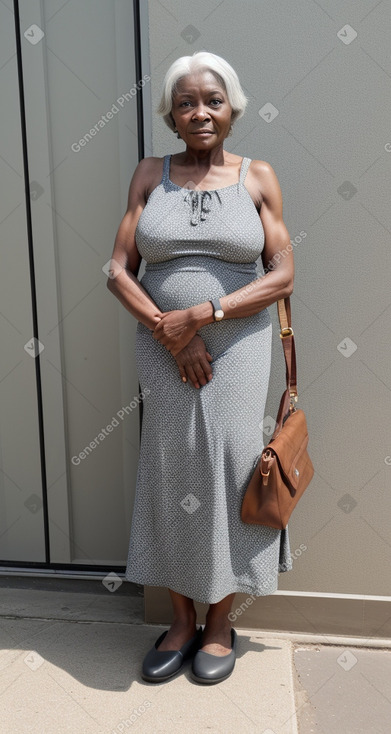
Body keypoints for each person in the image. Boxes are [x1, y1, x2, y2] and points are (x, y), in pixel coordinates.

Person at [107, 50, 295, 684]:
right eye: (185, 102)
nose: (199, 112)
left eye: (211, 100)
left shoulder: (258, 176)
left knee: (229, 469)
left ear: (232, 106)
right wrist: (171, 330)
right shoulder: (148, 175)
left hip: (238, 352)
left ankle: (221, 622)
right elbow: (117, 272)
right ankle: (180, 619)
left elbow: (284, 273)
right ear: (171, 113)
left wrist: (204, 315)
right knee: (170, 469)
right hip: (164, 351)